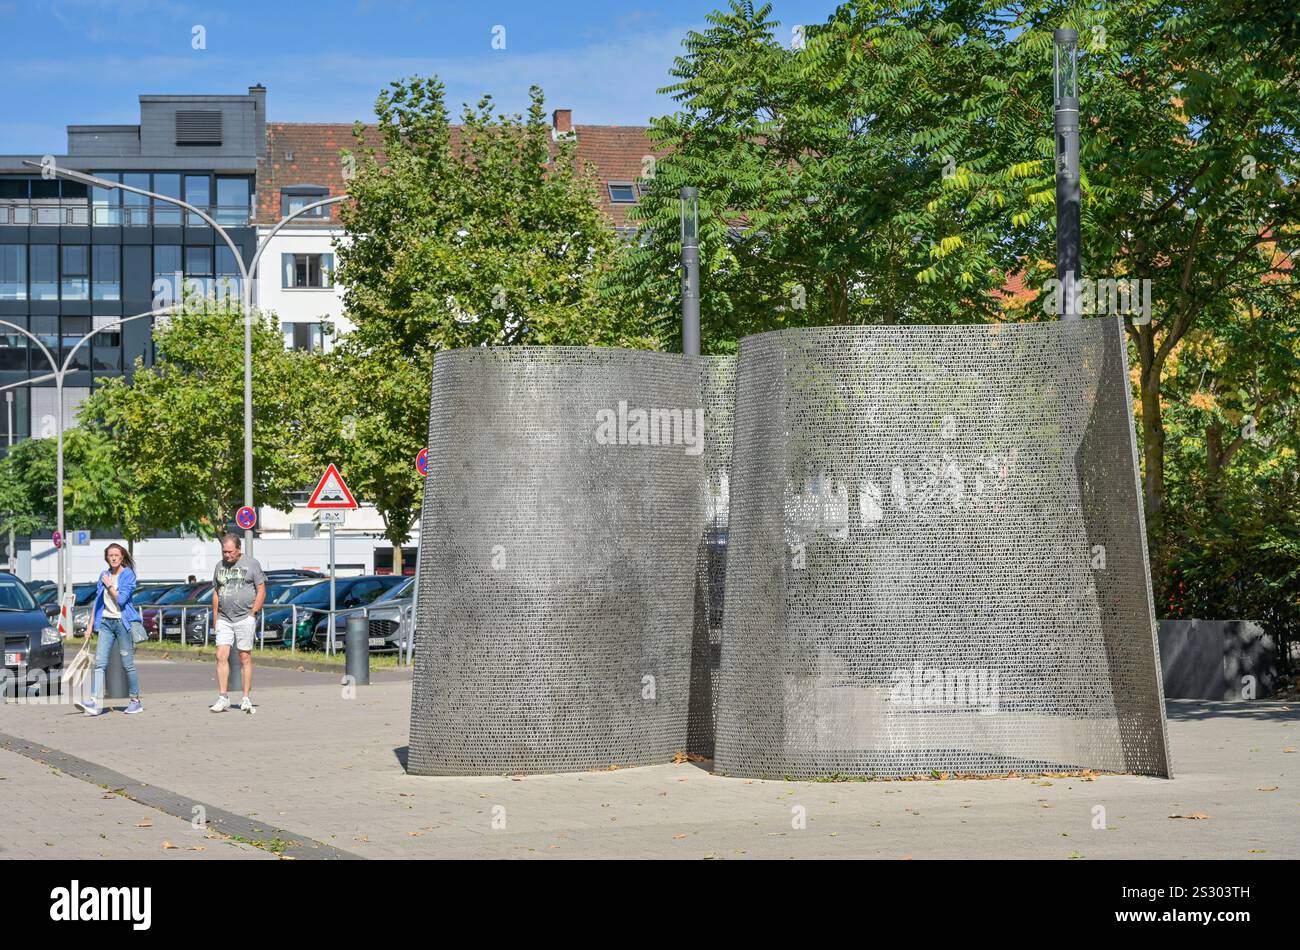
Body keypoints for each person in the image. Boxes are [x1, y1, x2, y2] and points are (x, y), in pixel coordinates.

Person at [75, 543, 144, 716]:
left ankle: (135, 701)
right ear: (106, 557)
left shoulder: (128, 575)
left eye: (116, 555)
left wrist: (110, 586)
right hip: (105, 623)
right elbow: (98, 602)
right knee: (100, 663)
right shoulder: (104, 575)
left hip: (122, 623)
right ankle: (93, 701)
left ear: (122, 557)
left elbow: (121, 600)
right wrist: (90, 626)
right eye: (110, 555)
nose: (113, 558)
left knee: (127, 664)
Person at [209, 532, 265, 713]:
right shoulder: (219, 566)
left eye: (230, 552)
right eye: (224, 552)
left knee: (244, 657)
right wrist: (215, 618)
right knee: (220, 655)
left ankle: (246, 698)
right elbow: (216, 592)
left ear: (238, 549)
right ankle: (223, 697)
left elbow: (261, 590)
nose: (227, 555)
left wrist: (253, 613)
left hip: (244, 617)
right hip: (224, 617)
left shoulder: (252, 564)